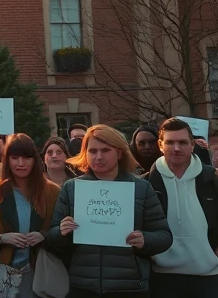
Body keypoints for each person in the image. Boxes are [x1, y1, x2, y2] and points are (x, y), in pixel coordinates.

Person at [47, 124, 173, 298]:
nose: (98, 157)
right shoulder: (72, 188)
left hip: (129, 287)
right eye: (92, 151)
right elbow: (51, 238)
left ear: (120, 153)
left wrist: (145, 240)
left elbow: (164, 237)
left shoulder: (141, 188)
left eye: (105, 150)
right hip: (82, 286)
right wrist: (61, 232)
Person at [145, 118, 218, 297]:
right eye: (170, 142)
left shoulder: (213, 179)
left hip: (208, 275)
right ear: (161, 145)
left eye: (182, 142)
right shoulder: (145, 184)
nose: (176, 148)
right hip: (162, 276)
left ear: (192, 145)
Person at [0, 134, 61, 298]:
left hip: (40, 271)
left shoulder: (53, 192)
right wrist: (1, 239)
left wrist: (44, 236)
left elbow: (62, 233)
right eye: (14, 158)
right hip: (2, 271)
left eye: (26, 158)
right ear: (7, 160)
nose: (20, 164)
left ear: (35, 160)